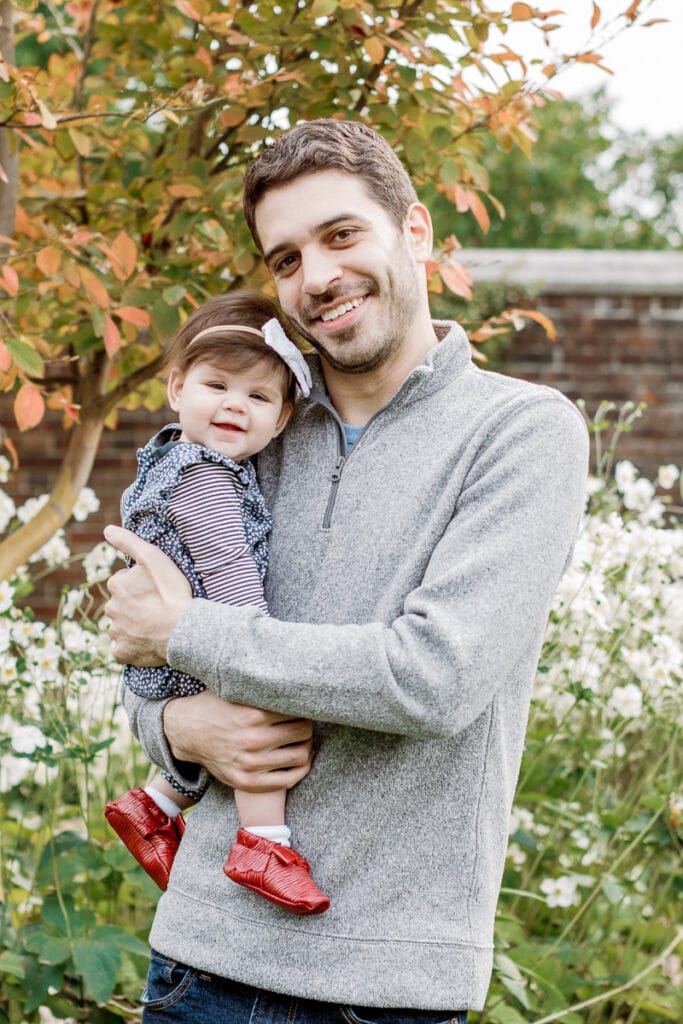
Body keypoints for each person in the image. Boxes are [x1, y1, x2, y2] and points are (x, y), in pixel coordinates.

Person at [105, 119, 588, 1023]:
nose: (315, 277)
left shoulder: (521, 432)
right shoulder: (251, 427)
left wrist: (187, 633)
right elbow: (137, 640)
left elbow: (431, 679)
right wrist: (176, 726)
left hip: (383, 989)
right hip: (198, 962)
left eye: (339, 235)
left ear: (413, 233)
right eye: (284, 260)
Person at [104, 290, 329, 916]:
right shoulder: (203, 474)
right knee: (261, 724)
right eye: (217, 384)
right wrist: (252, 647)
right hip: (196, 639)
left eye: (258, 397)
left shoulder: (169, 456)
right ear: (177, 388)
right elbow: (228, 570)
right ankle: (264, 842)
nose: (234, 403)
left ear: (281, 420)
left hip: (169, 648)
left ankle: (155, 806)